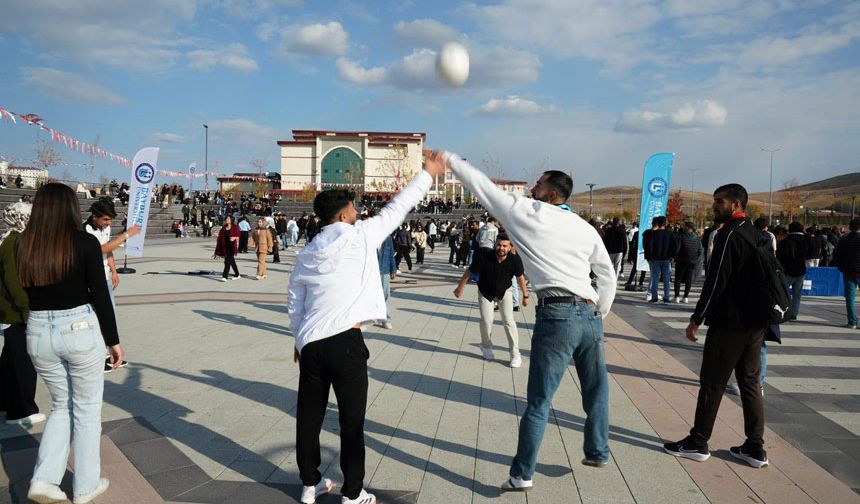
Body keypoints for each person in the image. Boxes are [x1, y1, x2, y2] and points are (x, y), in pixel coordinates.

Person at [425, 150, 616, 490]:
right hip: (589, 313)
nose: (532, 187)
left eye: (539, 184)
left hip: (556, 314)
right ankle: (598, 450)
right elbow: (606, 272)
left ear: (551, 194)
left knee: (540, 402)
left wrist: (450, 159)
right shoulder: (583, 227)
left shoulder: (528, 212)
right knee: (596, 388)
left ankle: (522, 474)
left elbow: (483, 187)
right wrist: (601, 308)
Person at [287, 158, 442, 504]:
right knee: (351, 420)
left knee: (308, 417)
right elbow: (398, 208)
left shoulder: (307, 252)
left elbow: (295, 299)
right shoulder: (359, 236)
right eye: (353, 208)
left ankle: (310, 485)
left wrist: (298, 337)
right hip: (345, 341)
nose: (357, 212)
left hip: (311, 344)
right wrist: (428, 175)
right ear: (343, 215)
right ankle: (353, 492)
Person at [18, 183, 122, 504]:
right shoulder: (85, 242)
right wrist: (113, 340)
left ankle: (45, 479)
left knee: (61, 405)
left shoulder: (24, 244)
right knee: (87, 411)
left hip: (37, 330)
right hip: (78, 328)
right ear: (70, 209)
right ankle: (86, 486)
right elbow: (100, 294)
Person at [663, 183, 770, 469]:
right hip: (756, 322)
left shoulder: (729, 235)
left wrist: (697, 317)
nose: (714, 206)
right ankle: (755, 447)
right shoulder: (757, 233)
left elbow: (716, 281)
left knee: (712, 382)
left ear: (735, 205)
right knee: (749, 382)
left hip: (731, 322)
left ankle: (698, 442)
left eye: (719, 202)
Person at [453, 233, 529, 367]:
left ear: (510, 247)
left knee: (508, 321)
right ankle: (486, 346)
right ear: (495, 244)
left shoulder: (514, 259)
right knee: (487, 320)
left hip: (505, 291)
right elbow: (469, 272)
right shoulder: (485, 256)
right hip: (485, 292)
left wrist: (525, 296)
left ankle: (515, 353)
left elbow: (520, 277)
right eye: (499, 245)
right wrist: (460, 287)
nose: (501, 248)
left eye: (505, 246)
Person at [0, 202, 43, 427]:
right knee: (23, 362)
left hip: (10, 312)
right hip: (16, 313)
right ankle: (21, 409)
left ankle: (5, 402)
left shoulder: (9, 239)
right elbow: (14, 281)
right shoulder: (14, 242)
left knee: (9, 360)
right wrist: (28, 311)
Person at [84, 198, 140, 373]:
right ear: (95, 217)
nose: (108, 223)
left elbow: (108, 251)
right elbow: (100, 249)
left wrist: (114, 271)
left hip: (105, 276)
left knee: (110, 315)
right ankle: (100, 357)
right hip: (92, 278)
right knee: (99, 317)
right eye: (106, 219)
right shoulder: (85, 230)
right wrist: (126, 235)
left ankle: (109, 353)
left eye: (110, 220)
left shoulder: (105, 228)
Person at [776, 222, 808, 320]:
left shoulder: (785, 241)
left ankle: (783, 311)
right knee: (797, 294)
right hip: (800, 271)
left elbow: (780, 257)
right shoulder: (805, 241)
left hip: (787, 271)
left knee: (783, 293)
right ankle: (794, 313)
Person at [833, 218, 860, 329]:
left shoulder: (844, 240)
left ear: (849, 227)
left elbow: (837, 255)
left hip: (849, 273)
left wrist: (842, 267)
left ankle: (852, 322)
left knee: (850, 298)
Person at [644, 216, 677, 303]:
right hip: (666, 259)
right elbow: (675, 246)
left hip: (655, 259)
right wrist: (673, 256)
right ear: (665, 223)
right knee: (666, 279)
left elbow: (650, 246)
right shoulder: (670, 233)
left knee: (655, 278)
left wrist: (649, 256)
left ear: (657, 223)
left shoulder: (653, 234)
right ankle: (666, 297)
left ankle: (654, 297)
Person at [674, 222, 702, 304]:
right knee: (688, 279)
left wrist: (675, 257)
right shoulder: (697, 238)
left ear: (688, 227)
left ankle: (677, 296)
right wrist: (695, 258)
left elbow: (677, 249)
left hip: (682, 260)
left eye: (685, 226)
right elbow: (700, 250)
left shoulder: (682, 236)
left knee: (678, 278)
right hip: (692, 261)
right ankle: (686, 297)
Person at [377, 232, 397, 330]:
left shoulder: (388, 238)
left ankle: (386, 319)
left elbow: (391, 255)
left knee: (385, 295)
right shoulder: (367, 236)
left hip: (384, 270)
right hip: (369, 271)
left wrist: (393, 269)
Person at [215, 215, 241, 282]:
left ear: (232, 220)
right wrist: (217, 235)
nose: (227, 219)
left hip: (231, 247)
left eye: (228, 218)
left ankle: (225, 276)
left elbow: (238, 236)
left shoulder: (235, 227)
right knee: (231, 261)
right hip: (224, 246)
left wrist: (234, 238)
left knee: (227, 261)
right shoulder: (224, 227)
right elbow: (221, 235)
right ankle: (237, 274)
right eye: (226, 218)